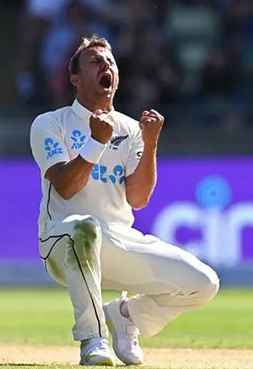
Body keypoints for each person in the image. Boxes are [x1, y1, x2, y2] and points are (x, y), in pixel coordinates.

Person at [29, 35, 219, 366]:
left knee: (204, 284)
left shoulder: (131, 130)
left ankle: (125, 315)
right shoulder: (50, 123)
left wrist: (151, 142)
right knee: (84, 228)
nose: (106, 66)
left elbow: (139, 198)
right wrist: (95, 142)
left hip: (118, 239)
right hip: (63, 240)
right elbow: (65, 187)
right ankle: (92, 339)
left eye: (110, 62)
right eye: (95, 61)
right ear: (75, 79)